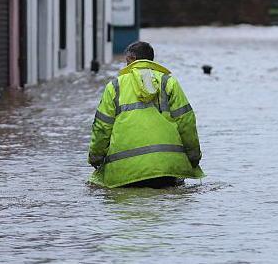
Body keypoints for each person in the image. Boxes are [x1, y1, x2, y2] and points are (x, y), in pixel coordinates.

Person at [87, 41, 204, 188]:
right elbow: (186, 122)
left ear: (131, 59)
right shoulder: (169, 83)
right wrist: (193, 157)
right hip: (167, 169)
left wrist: (96, 158)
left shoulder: (115, 86)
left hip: (124, 171)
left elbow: (102, 127)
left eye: (126, 62)